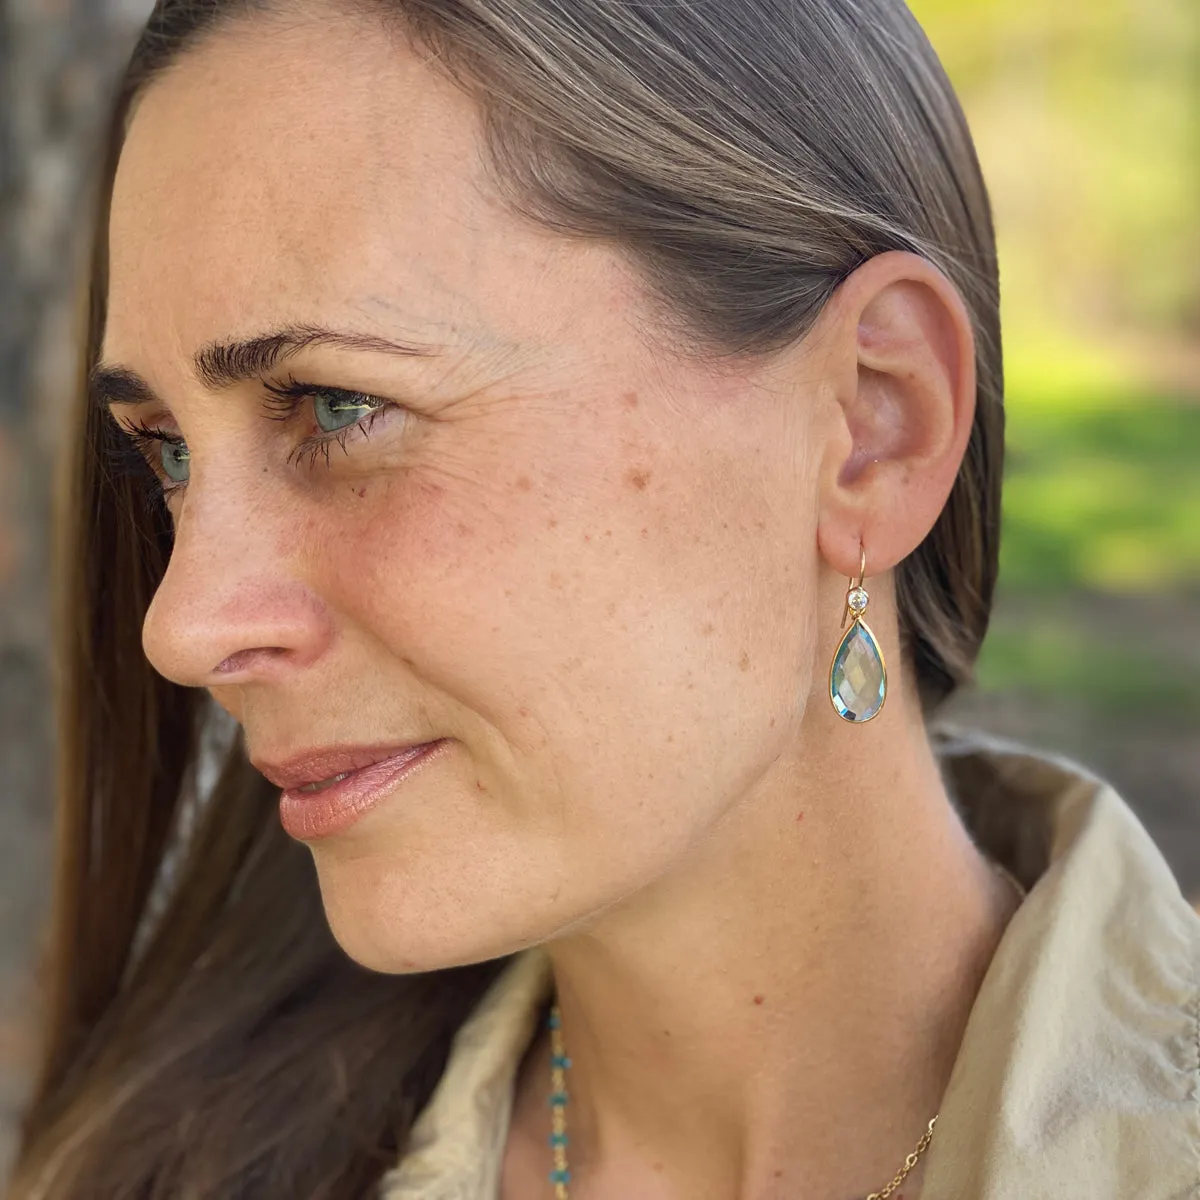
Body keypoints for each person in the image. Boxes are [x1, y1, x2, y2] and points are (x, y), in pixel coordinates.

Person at [9, 1, 1199, 1198]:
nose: (185, 624)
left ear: (869, 429)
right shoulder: (164, 1167)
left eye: (337, 408)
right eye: (165, 451)